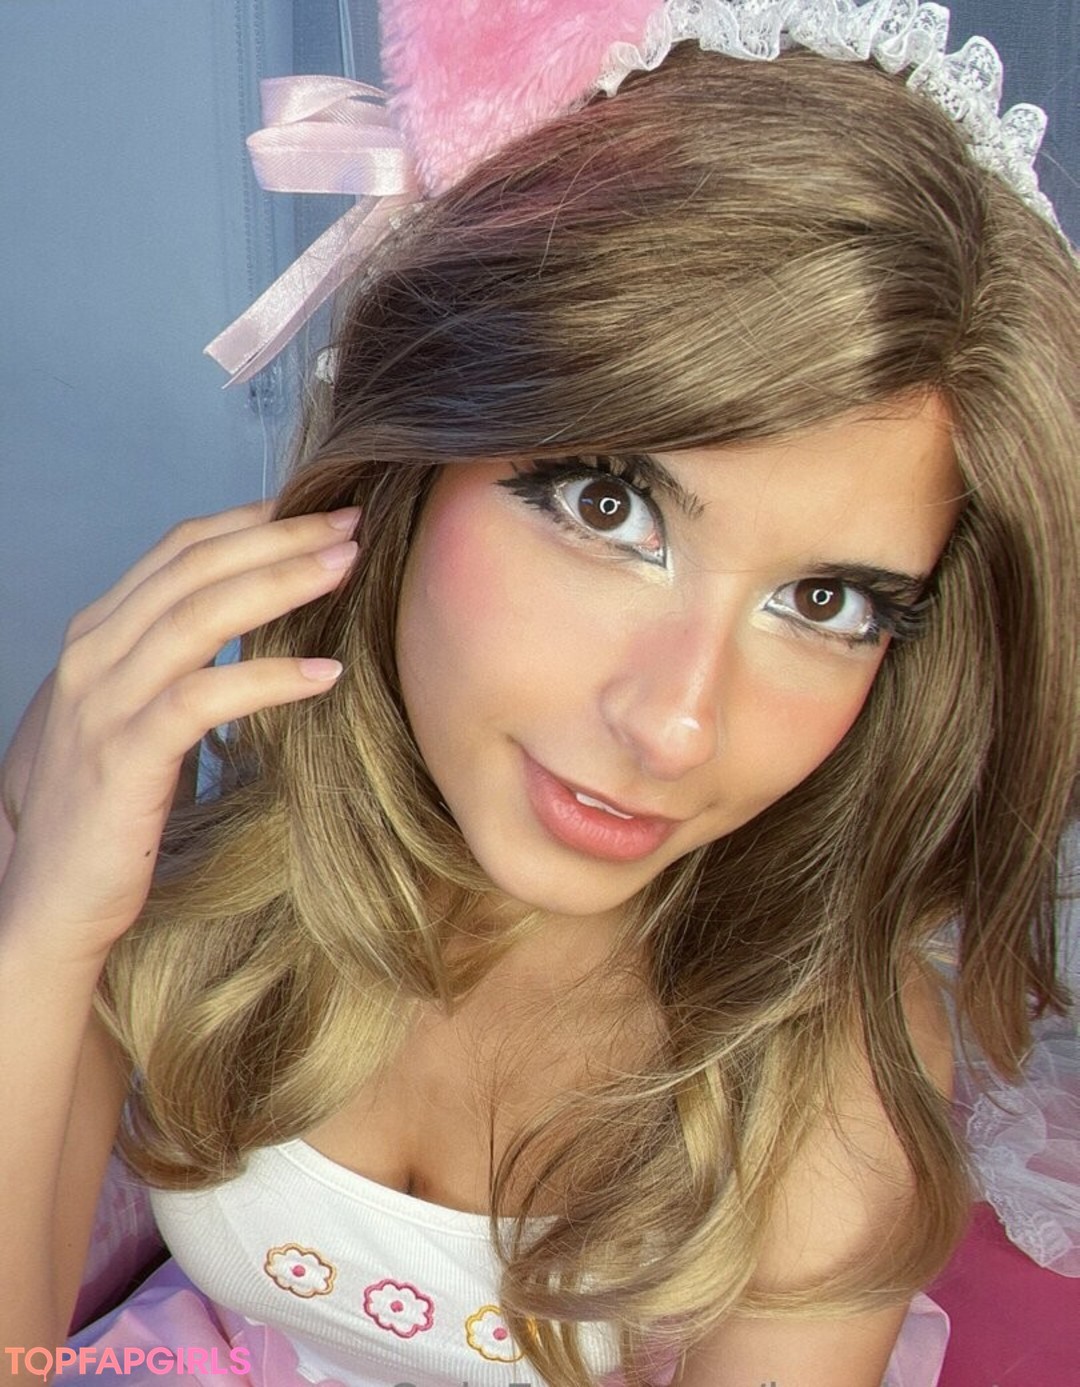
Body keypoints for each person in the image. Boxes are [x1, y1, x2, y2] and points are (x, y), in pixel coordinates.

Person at [1, 2, 1077, 1384]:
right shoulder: (184, 825)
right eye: (609, 506)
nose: (676, 726)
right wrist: (48, 923)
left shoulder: (823, 1086)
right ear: (414, 457)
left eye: (826, 603)